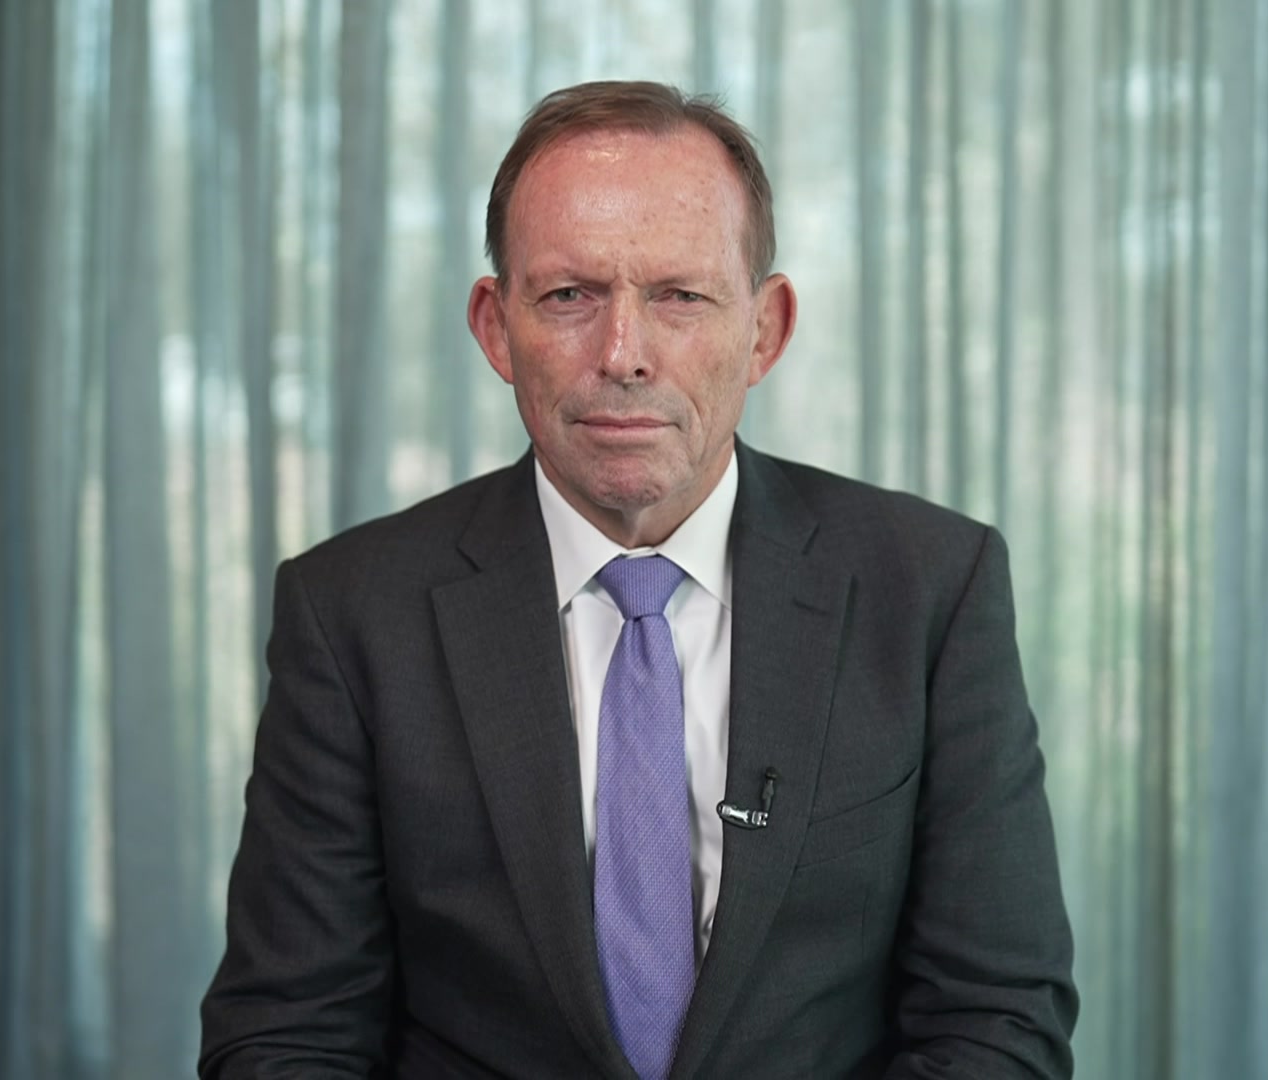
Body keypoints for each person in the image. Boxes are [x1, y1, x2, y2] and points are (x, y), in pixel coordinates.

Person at [199, 80, 1078, 1079]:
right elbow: (287, 1038)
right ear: (496, 326)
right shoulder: (352, 612)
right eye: (569, 296)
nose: (624, 355)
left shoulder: (931, 590)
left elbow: (997, 1022)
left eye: (679, 296)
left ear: (764, 331)